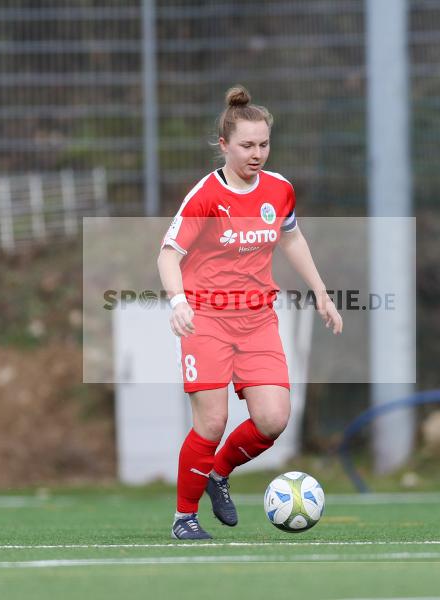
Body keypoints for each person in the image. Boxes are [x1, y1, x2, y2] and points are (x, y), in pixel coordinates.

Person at [158, 85, 342, 540]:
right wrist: (179, 301)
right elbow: (168, 253)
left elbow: (292, 238)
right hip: (207, 318)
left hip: (258, 319)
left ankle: (217, 474)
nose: (256, 153)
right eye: (246, 145)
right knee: (213, 421)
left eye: (263, 144)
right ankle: (185, 518)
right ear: (224, 145)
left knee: (274, 419)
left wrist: (320, 290)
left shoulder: (279, 190)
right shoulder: (205, 197)